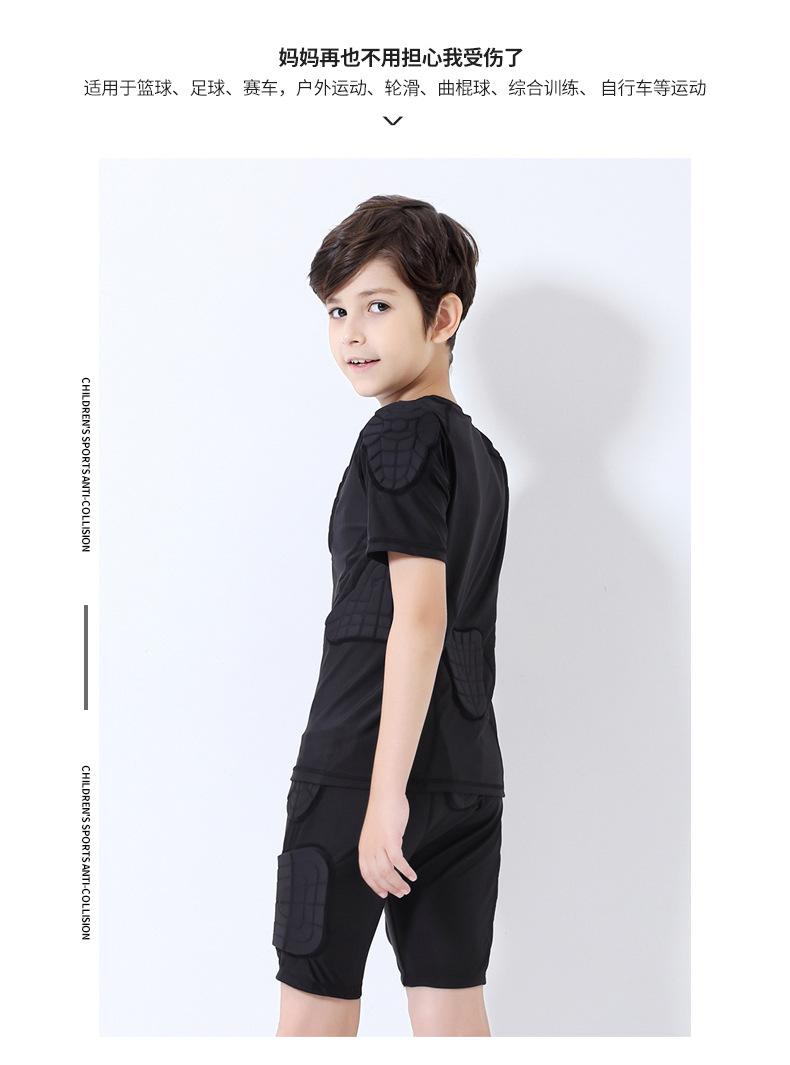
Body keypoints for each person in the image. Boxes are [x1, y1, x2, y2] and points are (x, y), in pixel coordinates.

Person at [273, 194, 510, 1036]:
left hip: (362, 772)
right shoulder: (481, 455)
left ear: (443, 317)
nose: (351, 335)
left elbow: (421, 618)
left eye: (377, 306)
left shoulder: (397, 436)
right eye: (337, 311)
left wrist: (383, 796)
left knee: (311, 1020)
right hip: (466, 777)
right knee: (453, 1015)